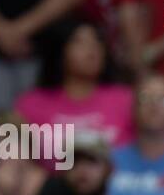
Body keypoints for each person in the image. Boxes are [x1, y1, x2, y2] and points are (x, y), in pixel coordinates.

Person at [15, 20, 136, 159]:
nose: (92, 49)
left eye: (97, 41)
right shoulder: (31, 105)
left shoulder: (125, 100)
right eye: (80, 42)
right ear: (61, 50)